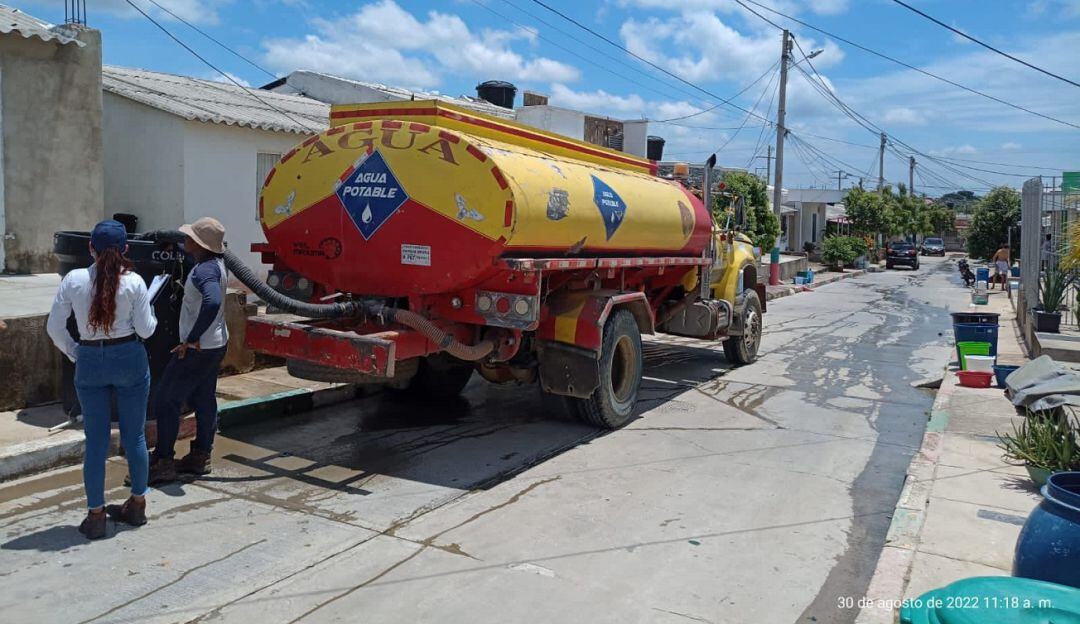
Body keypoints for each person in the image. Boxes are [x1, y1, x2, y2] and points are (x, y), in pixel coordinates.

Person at [46, 220, 157, 539]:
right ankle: (137, 504)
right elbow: (146, 330)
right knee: (134, 436)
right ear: (126, 249)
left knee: (95, 441)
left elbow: (54, 327)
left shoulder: (74, 279)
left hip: (91, 360)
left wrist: (76, 353)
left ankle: (96, 515)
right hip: (129, 358)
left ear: (90, 248)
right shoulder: (135, 282)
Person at [149, 217, 228, 484]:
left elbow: (212, 301)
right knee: (204, 399)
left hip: (198, 348)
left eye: (189, 238)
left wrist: (191, 339)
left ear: (200, 244)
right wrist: (171, 245)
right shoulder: (216, 264)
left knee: (166, 400)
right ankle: (200, 456)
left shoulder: (204, 272)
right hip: (215, 344)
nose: (185, 241)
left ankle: (163, 461)